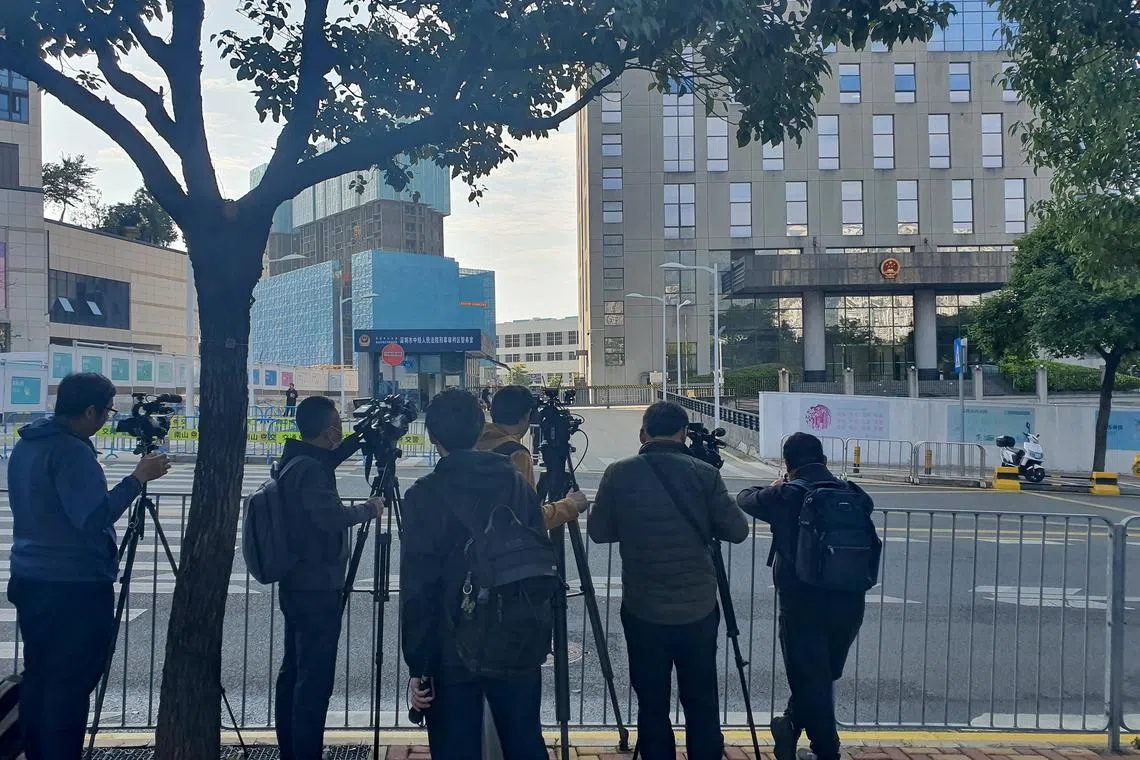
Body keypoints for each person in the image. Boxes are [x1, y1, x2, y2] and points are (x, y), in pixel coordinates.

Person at [6, 372, 171, 760]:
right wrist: (137, 478)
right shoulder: (71, 451)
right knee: (70, 683)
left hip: (31, 576)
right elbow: (93, 515)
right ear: (90, 410)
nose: (107, 419)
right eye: (107, 411)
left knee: (41, 678)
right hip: (72, 585)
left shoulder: (28, 445)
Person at [588, 401, 749, 760]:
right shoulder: (704, 474)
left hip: (643, 609)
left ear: (643, 433)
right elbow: (737, 531)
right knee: (700, 699)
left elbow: (599, 531)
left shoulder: (618, 473)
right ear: (683, 434)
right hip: (698, 611)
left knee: (651, 701)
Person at [401, 389, 548, 760]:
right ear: (481, 426)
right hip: (515, 634)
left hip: (451, 645)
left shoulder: (423, 495)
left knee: (455, 747)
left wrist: (419, 664)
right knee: (525, 743)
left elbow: (418, 588)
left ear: (432, 436)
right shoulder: (517, 484)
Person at [736, 432, 868, 760]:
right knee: (822, 675)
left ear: (787, 464)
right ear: (823, 460)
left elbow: (745, 498)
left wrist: (780, 484)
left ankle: (825, 750)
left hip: (802, 602)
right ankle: (790, 726)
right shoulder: (854, 493)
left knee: (812, 679)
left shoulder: (787, 495)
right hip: (850, 600)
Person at [274, 396, 383, 760]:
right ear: (326, 430)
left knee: (295, 671)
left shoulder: (297, 457)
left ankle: (292, 749)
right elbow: (329, 517)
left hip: (296, 581)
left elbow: (328, 459)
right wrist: (370, 509)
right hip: (316, 585)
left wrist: (359, 438)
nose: (341, 426)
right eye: (338, 422)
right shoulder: (310, 470)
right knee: (314, 679)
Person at [476, 385, 587, 530]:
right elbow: (529, 517)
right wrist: (570, 505)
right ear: (528, 415)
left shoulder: (475, 441)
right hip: (506, 546)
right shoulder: (517, 454)